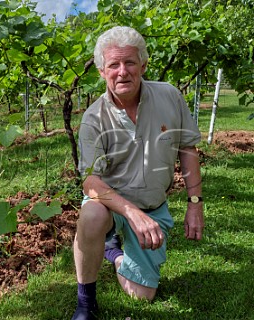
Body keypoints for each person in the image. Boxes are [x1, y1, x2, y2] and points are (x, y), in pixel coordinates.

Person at [72, 26, 204, 320]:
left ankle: (113, 251)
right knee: (92, 215)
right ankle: (85, 303)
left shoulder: (169, 96)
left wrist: (195, 205)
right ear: (101, 71)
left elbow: (188, 149)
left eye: (130, 62)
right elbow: (90, 181)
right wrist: (131, 213)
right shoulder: (93, 118)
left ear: (143, 65)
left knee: (143, 295)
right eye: (114, 65)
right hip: (111, 205)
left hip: (152, 207)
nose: (122, 72)